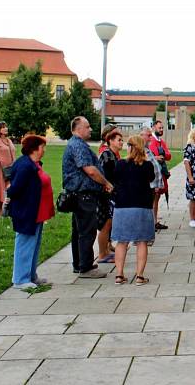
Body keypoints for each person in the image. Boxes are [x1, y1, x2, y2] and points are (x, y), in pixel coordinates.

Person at [62, 116, 113, 278]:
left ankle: (79, 264)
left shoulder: (76, 144)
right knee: (86, 231)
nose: (91, 129)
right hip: (83, 195)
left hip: (79, 194)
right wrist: (106, 182)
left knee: (79, 231)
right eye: (88, 126)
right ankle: (85, 267)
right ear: (78, 129)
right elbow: (89, 170)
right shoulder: (78, 145)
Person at [6, 135, 54, 289]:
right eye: (42, 147)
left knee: (33, 244)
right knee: (25, 244)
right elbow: (14, 189)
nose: (44, 150)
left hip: (36, 212)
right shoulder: (25, 166)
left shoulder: (34, 164)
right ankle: (20, 279)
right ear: (35, 148)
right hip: (26, 212)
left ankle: (31, 275)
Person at [111, 135, 157, 285]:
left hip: (122, 206)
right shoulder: (147, 165)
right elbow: (151, 180)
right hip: (142, 206)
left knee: (121, 242)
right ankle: (139, 276)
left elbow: (115, 180)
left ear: (130, 147)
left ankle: (119, 274)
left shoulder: (120, 164)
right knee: (142, 242)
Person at [97, 128, 123, 264]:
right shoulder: (107, 155)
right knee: (105, 225)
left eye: (122, 140)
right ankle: (102, 254)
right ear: (110, 141)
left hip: (111, 195)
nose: (121, 143)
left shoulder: (112, 154)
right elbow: (106, 177)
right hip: (106, 196)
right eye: (119, 140)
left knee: (109, 223)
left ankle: (106, 251)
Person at [147, 120, 171, 230]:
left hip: (160, 173)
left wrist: (161, 155)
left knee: (157, 198)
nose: (161, 130)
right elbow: (152, 155)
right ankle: (151, 222)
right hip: (152, 174)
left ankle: (154, 221)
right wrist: (158, 156)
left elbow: (168, 155)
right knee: (152, 198)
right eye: (159, 128)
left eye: (162, 128)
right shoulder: (151, 140)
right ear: (153, 128)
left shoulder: (161, 141)